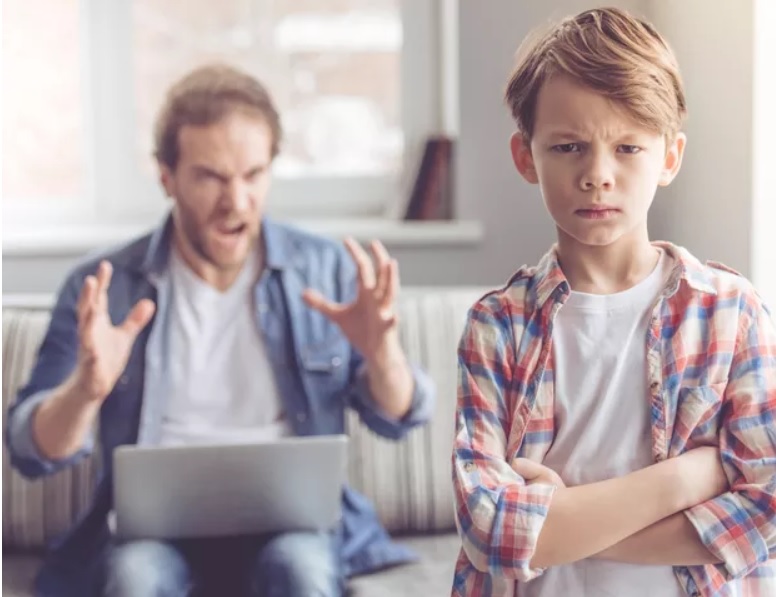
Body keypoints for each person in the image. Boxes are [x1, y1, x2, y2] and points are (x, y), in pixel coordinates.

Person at [6, 64, 435, 597]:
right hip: (151, 538)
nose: (236, 201)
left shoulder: (327, 271)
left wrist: (382, 353)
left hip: (292, 528)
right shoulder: (103, 287)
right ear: (167, 176)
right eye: (210, 177)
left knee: (301, 571)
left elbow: (402, 418)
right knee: (136, 578)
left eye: (253, 175)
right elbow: (29, 448)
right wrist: (87, 389)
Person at [451, 7, 776, 597]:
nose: (597, 174)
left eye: (627, 148)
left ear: (670, 158)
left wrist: (560, 520)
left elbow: (765, 512)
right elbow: (491, 532)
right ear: (526, 157)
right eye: (568, 146)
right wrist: (685, 479)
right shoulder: (496, 327)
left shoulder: (733, 313)